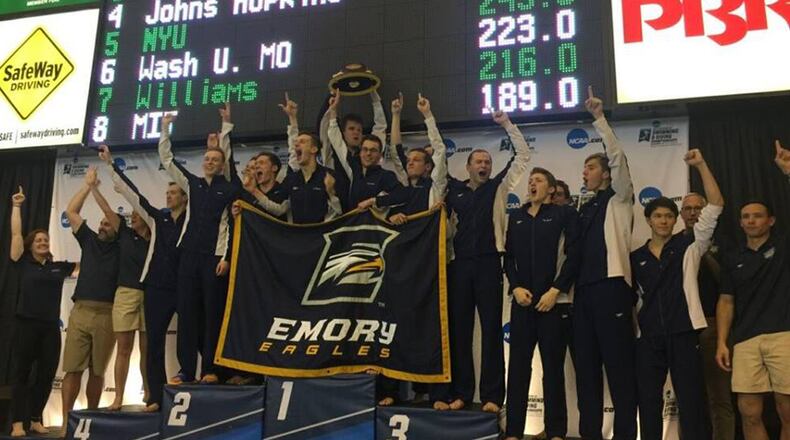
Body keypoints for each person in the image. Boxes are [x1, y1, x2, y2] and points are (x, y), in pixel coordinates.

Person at [435, 108, 530, 412]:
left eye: (488, 162)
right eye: (479, 161)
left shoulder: (498, 187)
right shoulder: (454, 190)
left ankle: (491, 397)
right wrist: (428, 121)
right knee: (460, 332)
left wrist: (506, 123)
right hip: (459, 265)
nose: (485, 165)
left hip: (490, 264)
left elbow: (523, 155)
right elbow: (437, 166)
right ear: (468, 165)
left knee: (491, 331)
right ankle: (461, 392)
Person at [631, 149, 723, 439]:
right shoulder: (635, 258)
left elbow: (716, 204)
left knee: (691, 401)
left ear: (676, 220)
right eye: (657, 215)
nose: (663, 221)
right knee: (647, 401)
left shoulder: (689, 247)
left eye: (669, 216)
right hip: (648, 336)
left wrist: (701, 165)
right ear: (648, 219)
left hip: (683, 332)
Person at [98, 145, 187, 411]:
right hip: (157, 287)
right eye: (167, 193)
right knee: (155, 342)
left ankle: (192, 381)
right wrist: (112, 167)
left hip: (184, 284)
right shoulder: (158, 218)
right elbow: (133, 195)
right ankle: (155, 397)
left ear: (185, 197)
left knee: (189, 336)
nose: (169, 196)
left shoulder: (193, 219)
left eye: (174, 193)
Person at [572, 86, 638, 439]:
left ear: (607, 174)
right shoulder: (583, 208)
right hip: (583, 295)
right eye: (583, 168)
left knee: (620, 371)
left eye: (591, 167)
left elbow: (618, 157)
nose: (585, 173)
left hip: (612, 290)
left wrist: (599, 118)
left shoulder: (620, 198)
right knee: (586, 373)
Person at [159, 104, 241, 384]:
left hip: (214, 259)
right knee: (188, 315)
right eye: (206, 158)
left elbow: (233, 226)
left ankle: (211, 369)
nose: (209, 162)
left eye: (214, 160)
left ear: (221, 165)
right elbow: (167, 159)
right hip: (189, 257)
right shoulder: (191, 184)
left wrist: (226, 257)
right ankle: (185, 369)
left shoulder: (229, 189)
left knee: (212, 316)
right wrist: (166, 129)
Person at [715, 141, 790, 440]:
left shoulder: (783, 247)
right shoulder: (733, 257)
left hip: (784, 335)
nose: (750, 221)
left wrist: (788, 170)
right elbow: (726, 301)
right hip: (745, 340)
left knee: (787, 409)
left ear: (770, 220)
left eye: (757, 216)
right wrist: (722, 341)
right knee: (748, 412)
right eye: (745, 217)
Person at [503, 167, 578, 440]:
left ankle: (556, 432)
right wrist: (516, 286)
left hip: (553, 305)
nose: (533, 184)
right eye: (531, 180)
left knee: (553, 370)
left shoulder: (564, 214)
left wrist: (555, 290)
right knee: (519, 369)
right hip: (522, 303)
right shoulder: (517, 217)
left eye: (539, 181)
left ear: (550, 189)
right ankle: (513, 431)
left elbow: (573, 256)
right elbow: (508, 257)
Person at [8, 187, 78, 437]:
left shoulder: (58, 268)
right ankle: (18, 422)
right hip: (26, 324)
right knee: (22, 374)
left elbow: (90, 263)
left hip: (50, 327)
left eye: (46, 240)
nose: (43, 242)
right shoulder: (22, 262)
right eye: (38, 240)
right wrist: (17, 206)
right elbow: (16, 232)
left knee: (47, 374)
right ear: (31, 245)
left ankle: (36, 418)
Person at [88, 159, 151, 411]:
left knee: (147, 349)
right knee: (124, 349)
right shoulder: (124, 233)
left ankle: (149, 393)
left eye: (138, 214)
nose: (133, 216)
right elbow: (105, 208)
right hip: (125, 293)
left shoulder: (157, 235)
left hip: (150, 294)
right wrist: (94, 188)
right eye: (132, 214)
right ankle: (117, 398)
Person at [61, 166, 120, 429]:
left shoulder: (122, 244)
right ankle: (66, 422)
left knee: (97, 371)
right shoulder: (89, 240)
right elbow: (71, 212)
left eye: (107, 223)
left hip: (108, 314)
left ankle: (91, 419)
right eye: (102, 223)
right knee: (72, 369)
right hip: (81, 311)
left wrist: (98, 190)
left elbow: (112, 215)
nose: (103, 225)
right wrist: (86, 186)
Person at [680, 190, 734, 440]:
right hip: (682, 329)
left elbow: (729, 283)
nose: (692, 213)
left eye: (697, 208)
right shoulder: (675, 244)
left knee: (719, 397)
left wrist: (704, 251)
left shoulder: (724, 242)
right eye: (687, 209)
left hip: (715, 326)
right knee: (687, 396)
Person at [240, 130, 341, 224]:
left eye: (302, 142)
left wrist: (331, 194)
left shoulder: (330, 176)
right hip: (299, 237)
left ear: (314, 149)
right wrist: (254, 191)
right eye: (296, 142)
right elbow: (278, 210)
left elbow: (341, 212)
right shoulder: (292, 179)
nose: (296, 144)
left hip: (322, 235)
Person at [326, 91, 403, 211]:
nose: (368, 153)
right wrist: (333, 111)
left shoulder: (385, 176)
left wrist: (373, 93)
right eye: (365, 150)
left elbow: (380, 126)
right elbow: (335, 139)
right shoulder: (352, 170)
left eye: (373, 150)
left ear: (379, 153)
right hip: (349, 221)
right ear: (361, 152)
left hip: (374, 224)